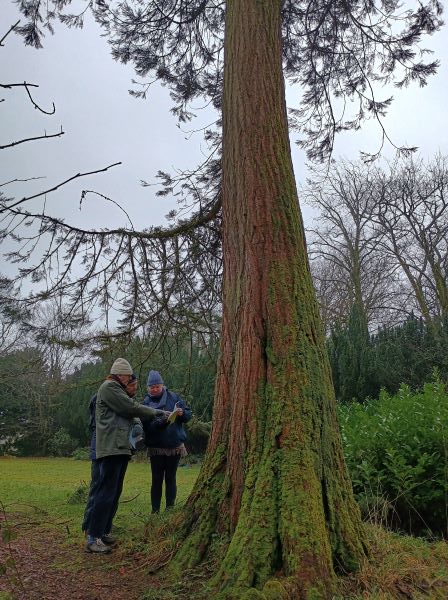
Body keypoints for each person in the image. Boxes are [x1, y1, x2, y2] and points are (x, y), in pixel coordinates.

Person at [85, 359, 169, 554]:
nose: (129, 379)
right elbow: (130, 408)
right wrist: (157, 412)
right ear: (119, 375)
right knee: (105, 493)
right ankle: (93, 537)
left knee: (113, 492)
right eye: (127, 376)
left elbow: (131, 412)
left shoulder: (117, 389)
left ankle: (103, 531)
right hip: (110, 448)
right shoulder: (109, 387)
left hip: (120, 447)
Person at [82, 373, 138, 537]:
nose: (134, 389)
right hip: (101, 449)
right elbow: (99, 426)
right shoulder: (103, 397)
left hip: (111, 448)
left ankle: (104, 528)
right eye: (132, 385)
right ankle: (89, 529)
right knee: (98, 489)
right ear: (123, 384)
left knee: (110, 491)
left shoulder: (123, 400)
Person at [142, 370, 192, 513]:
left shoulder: (174, 397)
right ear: (148, 388)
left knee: (171, 478)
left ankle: (170, 509)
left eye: (157, 386)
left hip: (174, 446)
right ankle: (155, 511)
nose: (155, 389)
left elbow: (188, 416)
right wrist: (161, 423)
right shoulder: (145, 403)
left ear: (162, 385)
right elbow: (146, 426)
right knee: (156, 480)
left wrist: (182, 413)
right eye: (152, 387)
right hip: (156, 447)